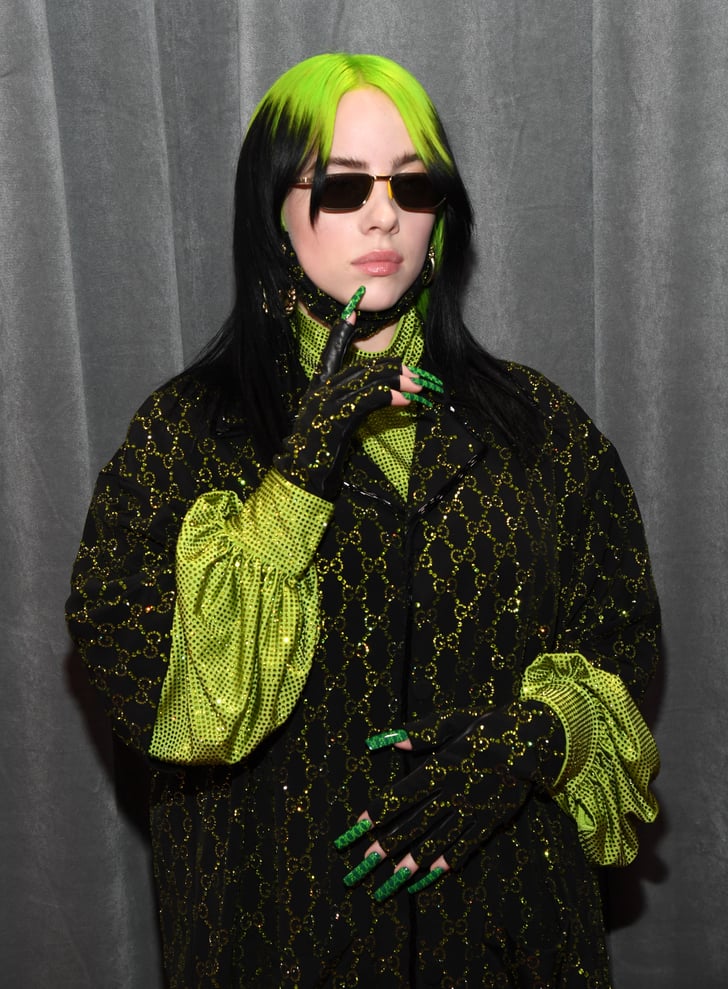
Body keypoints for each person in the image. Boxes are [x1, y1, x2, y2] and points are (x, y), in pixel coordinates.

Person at [66, 52, 661, 988]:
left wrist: (537, 743)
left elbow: (621, 639)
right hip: (276, 936)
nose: (384, 215)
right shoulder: (184, 437)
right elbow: (159, 688)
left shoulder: (541, 428)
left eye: (410, 185)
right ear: (273, 213)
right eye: (343, 187)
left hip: (510, 935)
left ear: (441, 215)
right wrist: (301, 467)